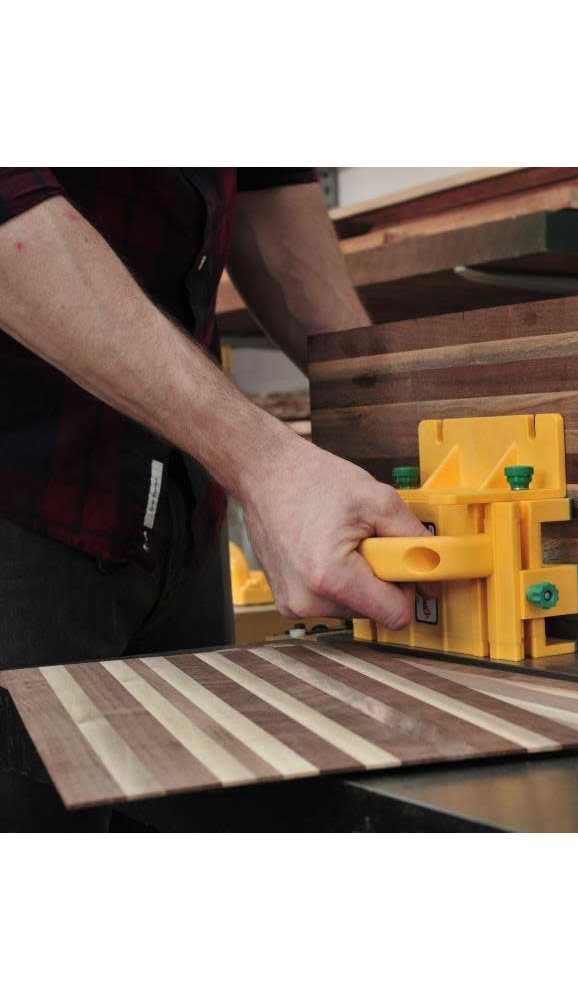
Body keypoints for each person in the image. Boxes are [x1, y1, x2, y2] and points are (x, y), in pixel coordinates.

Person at [0, 168, 427, 830]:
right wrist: (269, 466)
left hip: (180, 508)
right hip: (23, 498)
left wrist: (391, 416)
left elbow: (266, 186)